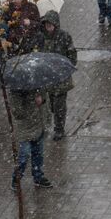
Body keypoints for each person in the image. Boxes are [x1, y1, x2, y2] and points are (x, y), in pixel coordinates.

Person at [31, 12, 77, 140]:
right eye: (46, 25)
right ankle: (54, 123)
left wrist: (66, 68)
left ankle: (59, 128)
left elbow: (72, 54)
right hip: (47, 78)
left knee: (59, 105)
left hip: (61, 77)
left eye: (51, 24)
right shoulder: (41, 38)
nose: (49, 27)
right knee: (52, 104)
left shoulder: (64, 37)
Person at [9, 83, 53, 189]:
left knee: (38, 154)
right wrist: (33, 102)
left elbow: (46, 99)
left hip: (39, 125)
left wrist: (42, 100)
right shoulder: (17, 89)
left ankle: (38, 176)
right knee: (24, 156)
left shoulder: (40, 83)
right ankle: (16, 178)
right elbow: (17, 112)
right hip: (26, 128)